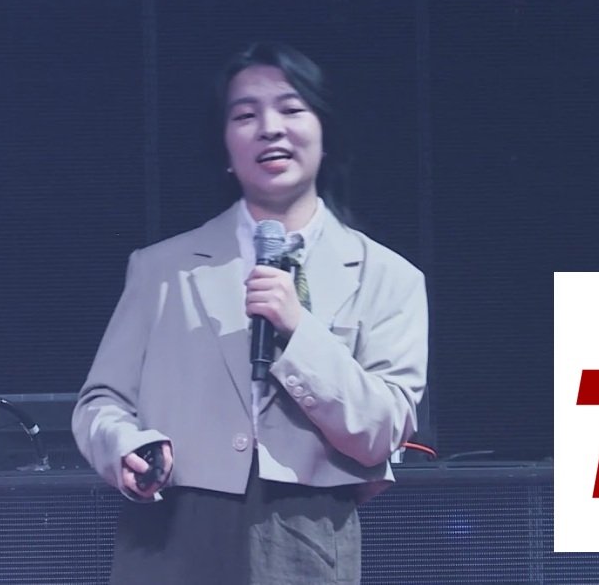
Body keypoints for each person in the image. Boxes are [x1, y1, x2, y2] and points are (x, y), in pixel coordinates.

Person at [71, 41, 428, 585]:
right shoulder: (161, 269)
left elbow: (383, 430)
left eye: (291, 108)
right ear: (225, 146)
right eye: (245, 115)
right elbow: (101, 401)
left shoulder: (388, 277)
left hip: (309, 532)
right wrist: (124, 447)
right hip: (173, 529)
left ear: (325, 133)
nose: (270, 128)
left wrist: (298, 329)